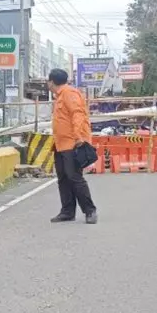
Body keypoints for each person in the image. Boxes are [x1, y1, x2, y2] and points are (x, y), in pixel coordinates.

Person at [47, 68, 98, 225]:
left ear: (51, 81)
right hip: (60, 144)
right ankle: (67, 211)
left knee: (75, 177)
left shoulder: (69, 93)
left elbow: (77, 115)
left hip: (72, 143)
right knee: (63, 178)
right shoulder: (59, 96)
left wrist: (78, 137)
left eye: (47, 81)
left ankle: (90, 210)